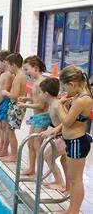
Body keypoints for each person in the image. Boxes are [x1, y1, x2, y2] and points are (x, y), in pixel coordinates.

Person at [56, 66, 93, 214]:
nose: (64, 91)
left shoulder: (82, 99)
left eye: (65, 87)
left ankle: (74, 211)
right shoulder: (79, 96)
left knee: (76, 180)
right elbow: (71, 118)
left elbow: (67, 121)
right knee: (73, 179)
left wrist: (59, 105)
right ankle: (72, 209)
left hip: (77, 142)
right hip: (73, 141)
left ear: (72, 84)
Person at [17, 55, 50, 176]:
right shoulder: (36, 82)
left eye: (26, 69)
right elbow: (36, 98)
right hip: (36, 117)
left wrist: (24, 106)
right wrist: (26, 98)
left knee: (37, 146)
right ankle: (31, 168)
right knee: (31, 143)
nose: (25, 72)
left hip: (42, 117)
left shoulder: (42, 83)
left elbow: (41, 105)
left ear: (35, 68)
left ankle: (39, 172)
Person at [39, 77, 68, 192]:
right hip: (62, 136)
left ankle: (60, 182)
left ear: (46, 94)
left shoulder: (56, 105)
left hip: (65, 137)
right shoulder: (54, 103)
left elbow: (67, 122)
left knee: (47, 155)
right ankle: (64, 184)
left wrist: (52, 131)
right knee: (64, 161)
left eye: (40, 93)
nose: (40, 95)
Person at [0, 53, 26, 162]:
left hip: (17, 107)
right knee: (9, 130)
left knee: (10, 131)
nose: (8, 68)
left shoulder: (19, 77)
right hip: (16, 106)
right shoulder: (20, 76)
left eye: (8, 65)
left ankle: (14, 156)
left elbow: (16, 96)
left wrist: (6, 92)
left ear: (14, 65)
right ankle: (13, 154)